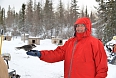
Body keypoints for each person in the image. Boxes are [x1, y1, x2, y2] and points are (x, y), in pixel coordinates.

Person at [26, 17, 108, 78]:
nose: (79, 28)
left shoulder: (95, 43)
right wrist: (41, 54)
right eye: (77, 26)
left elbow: (102, 66)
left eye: (82, 26)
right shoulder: (70, 42)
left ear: (87, 27)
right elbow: (57, 54)